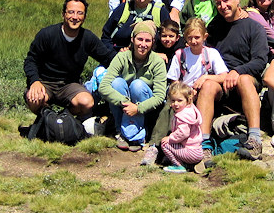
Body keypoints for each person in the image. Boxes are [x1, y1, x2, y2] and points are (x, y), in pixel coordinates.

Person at [196, 0, 269, 166]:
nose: (223, 6)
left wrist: (238, 71)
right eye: (218, 3)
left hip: (246, 78)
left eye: (226, 1)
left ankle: (254, 139)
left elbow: (260, 60)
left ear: (237, 0)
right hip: (220, 79)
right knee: (208, 85)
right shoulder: (214, 27)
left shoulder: (253, 27)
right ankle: (203, 145)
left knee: (244, 80)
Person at [142, 17, 229, 165]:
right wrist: (184, 93)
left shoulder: (211, 53)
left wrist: (205, 79)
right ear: (185, 38)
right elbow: (174, 81)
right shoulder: (180, 54)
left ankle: (201, 144)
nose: (194, 41)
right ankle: (155, 146)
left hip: (205, 92)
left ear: (204, 37)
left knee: (205, 90)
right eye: (190, 38)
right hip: (185, 94)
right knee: (169, 106)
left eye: (197, 37)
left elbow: (223, 75)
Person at [24, 0, 116, 119]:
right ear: (64, 14)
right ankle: (48, 120)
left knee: (87, 102)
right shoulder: (47, 34)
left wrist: (130, 59)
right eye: (71, 12)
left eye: (80, 13)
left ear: (84, 17)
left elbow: (107, 57)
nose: (75, 17)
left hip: (69, 85)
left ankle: (62, 119)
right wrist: (34, 81)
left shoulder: (87, 38)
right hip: (45, 82)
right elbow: (31, 60)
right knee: (34, 99)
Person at [98, 21, 168, 151]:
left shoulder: (158, 62)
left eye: (147, 40)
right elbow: (104, 86)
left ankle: (136, 135)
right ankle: (122, 132)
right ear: (132, 39)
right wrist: (126, 103)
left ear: (153, 42)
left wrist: (137, 108)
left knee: (137, 85)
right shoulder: (121, 57)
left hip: (145, 105)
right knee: (116, 83)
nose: (143, 44)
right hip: (124, 102)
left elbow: (160, 96)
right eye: (139, 39)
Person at [101, 0, 165, 51]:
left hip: (152, 60)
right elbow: (105, 37)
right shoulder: (123, 9)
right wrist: (115, 54)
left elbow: (171, 38)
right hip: (120, 57)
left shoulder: (160, 11)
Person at [159, 82, 204, 172]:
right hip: (197, 150)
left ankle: (179, 165)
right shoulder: (191, 110)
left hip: (190, 152)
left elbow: (183, 133)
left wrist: (170, 138)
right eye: (173, 100)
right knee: (172, 142)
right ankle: (190, 164)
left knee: (165, 144)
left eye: (179, 101)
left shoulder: (183, 116)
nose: (176, 104)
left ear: (188, 100)